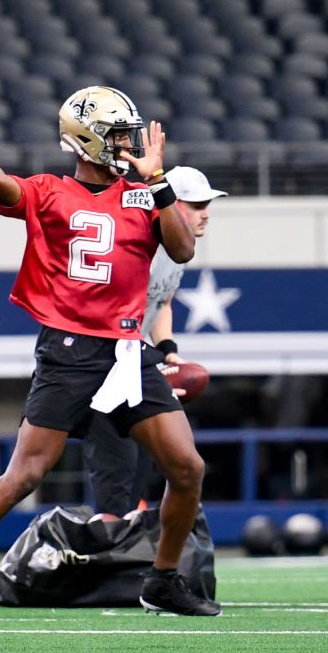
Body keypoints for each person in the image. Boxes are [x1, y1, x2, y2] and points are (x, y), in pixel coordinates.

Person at [0, 86, 219, 619]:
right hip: (70, 349)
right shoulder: (50, 191)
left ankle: (163, 580)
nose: (127, 142)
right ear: (86, 140)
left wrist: (158, 181)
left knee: (187, 468)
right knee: (26, 474)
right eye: (117, 133)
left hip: (127, 350)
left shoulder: (144, 193)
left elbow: (183, 249)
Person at [83, 166, 226, 517]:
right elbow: (110, 313)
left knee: (149, 462)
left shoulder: (179, 249)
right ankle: (106, 548)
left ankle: (131, 546)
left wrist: (168, 351)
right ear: (167, 204)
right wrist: (150, 361)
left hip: (133, 359)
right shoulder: (138, 245)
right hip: (101, 362)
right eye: (195, 205)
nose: (205, 212)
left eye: (207, 204)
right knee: (111, 465)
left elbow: (161, 302)